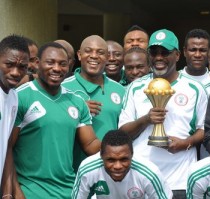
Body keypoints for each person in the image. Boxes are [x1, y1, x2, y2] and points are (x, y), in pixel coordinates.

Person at [2, 42, 101, 199]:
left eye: (62, 64)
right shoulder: (20, 97)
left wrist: (121, 143)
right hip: (30, 191)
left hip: (69, 191)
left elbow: (90, 145)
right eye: (50, 62)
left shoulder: (77, 101)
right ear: (37, 63)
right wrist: (13, 192)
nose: (56, 68)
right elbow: (6, 148)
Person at [119, 29, 208, 198]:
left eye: (165, 52)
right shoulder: (135, 88)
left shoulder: (195, 89)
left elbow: (203, 130)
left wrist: (185, 143)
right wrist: (145, 120)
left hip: (179, 179)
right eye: (154, 52)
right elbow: (123, 132)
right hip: (142, 178)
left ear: (177, 55)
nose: (159, 57)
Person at [63, 35, 125, 171]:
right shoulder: (62, 88)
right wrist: (76, 109)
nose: (94, 56)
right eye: (88, 51)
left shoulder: (120, 90)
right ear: (79, 55)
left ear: (108, 57)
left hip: (112, 171)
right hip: (73, 171)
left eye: (100, 52)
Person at [72, 130, 173, 199]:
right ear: (101, 155)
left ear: (132, 154)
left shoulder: (149, 173)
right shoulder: (87, 169)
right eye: (111, 160)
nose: (118, 166)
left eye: (124, 159)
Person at [0, 35, 29, 189]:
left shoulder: (13, 96)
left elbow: (6, 146)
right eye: (9, 65)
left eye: (22, 67)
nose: (15, 72)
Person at [180, 28, 210, 93]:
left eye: (202, 50)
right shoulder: (175, 79)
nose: (197, 55)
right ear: (184, 51)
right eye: (193, 50)